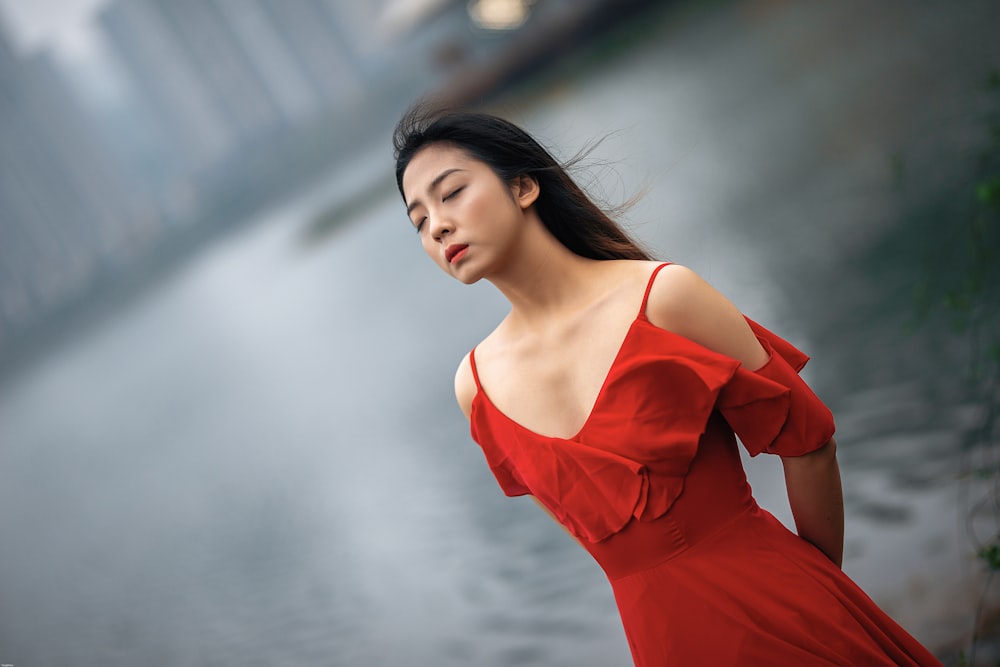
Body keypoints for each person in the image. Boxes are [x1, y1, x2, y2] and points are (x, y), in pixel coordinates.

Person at [393, 106, 944, 666]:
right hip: (663, 644)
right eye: (418, 220)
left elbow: (808, 443)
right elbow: (595, 541)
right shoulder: (475, 387)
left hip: (785, 609)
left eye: (452, 193)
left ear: (524, 185)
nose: (437, 225)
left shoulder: (663, 298)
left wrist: (821, 590)